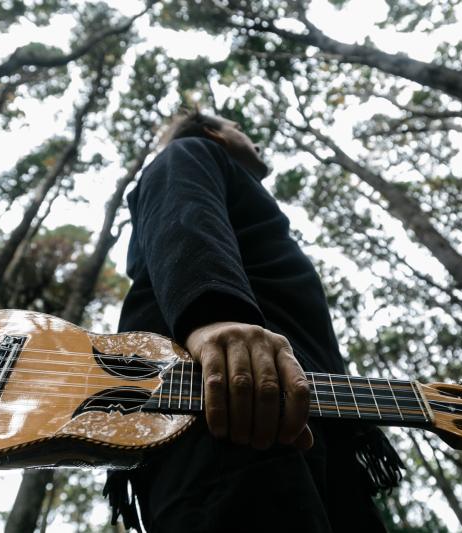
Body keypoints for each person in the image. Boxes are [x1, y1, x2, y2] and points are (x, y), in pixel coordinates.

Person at [104, 110, 402, 532]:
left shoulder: (235, 186)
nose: (254, 139)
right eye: (239, 128)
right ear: (213, 133)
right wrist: (214, 318)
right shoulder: (190, 152)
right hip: (216, 402)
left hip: (309, 418)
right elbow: (185, 215)